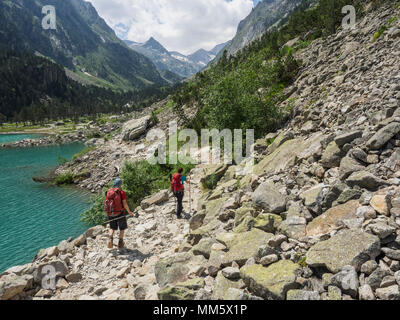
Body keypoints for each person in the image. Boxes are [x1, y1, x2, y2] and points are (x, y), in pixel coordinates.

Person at [105, 178, 134, 249]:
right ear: (120, 184)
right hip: (120, 213)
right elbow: (125, 204)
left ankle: (110, 238)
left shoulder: (109, 192)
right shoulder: (121, 192)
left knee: (112, 227)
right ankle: (120, 243)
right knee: (122, 228)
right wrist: (129, 212)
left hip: (110, 213)